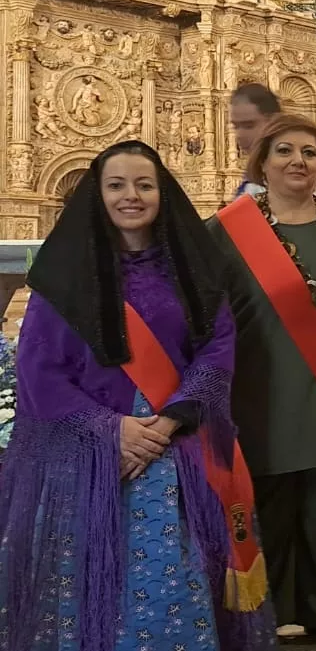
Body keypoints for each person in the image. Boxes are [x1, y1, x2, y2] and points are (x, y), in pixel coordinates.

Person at [0, 141, 276, 651]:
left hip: (177, 448)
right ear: (96, 195)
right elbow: (39, 368)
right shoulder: (63, 277)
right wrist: (111, 429)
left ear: (162, 194)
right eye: (117, 185)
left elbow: (216, 348)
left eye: (145, 184)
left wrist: (169, 422)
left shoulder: (193, 268)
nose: (132, 195)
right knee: (86, 586)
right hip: (85, 456)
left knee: (175, 576)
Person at [209, 114, 316, 648]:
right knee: (271, 508)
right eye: (284, 151)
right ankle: (266, 613)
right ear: (262, 161)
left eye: (310, 152)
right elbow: (205, 318)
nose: (298, 162)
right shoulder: (228, 230)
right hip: (265, 396)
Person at [230, 83, 316, 208]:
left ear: (273, 121)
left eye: (249, 125)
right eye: (236, 126)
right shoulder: (256, 171)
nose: (240, 135)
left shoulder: (303, 172)